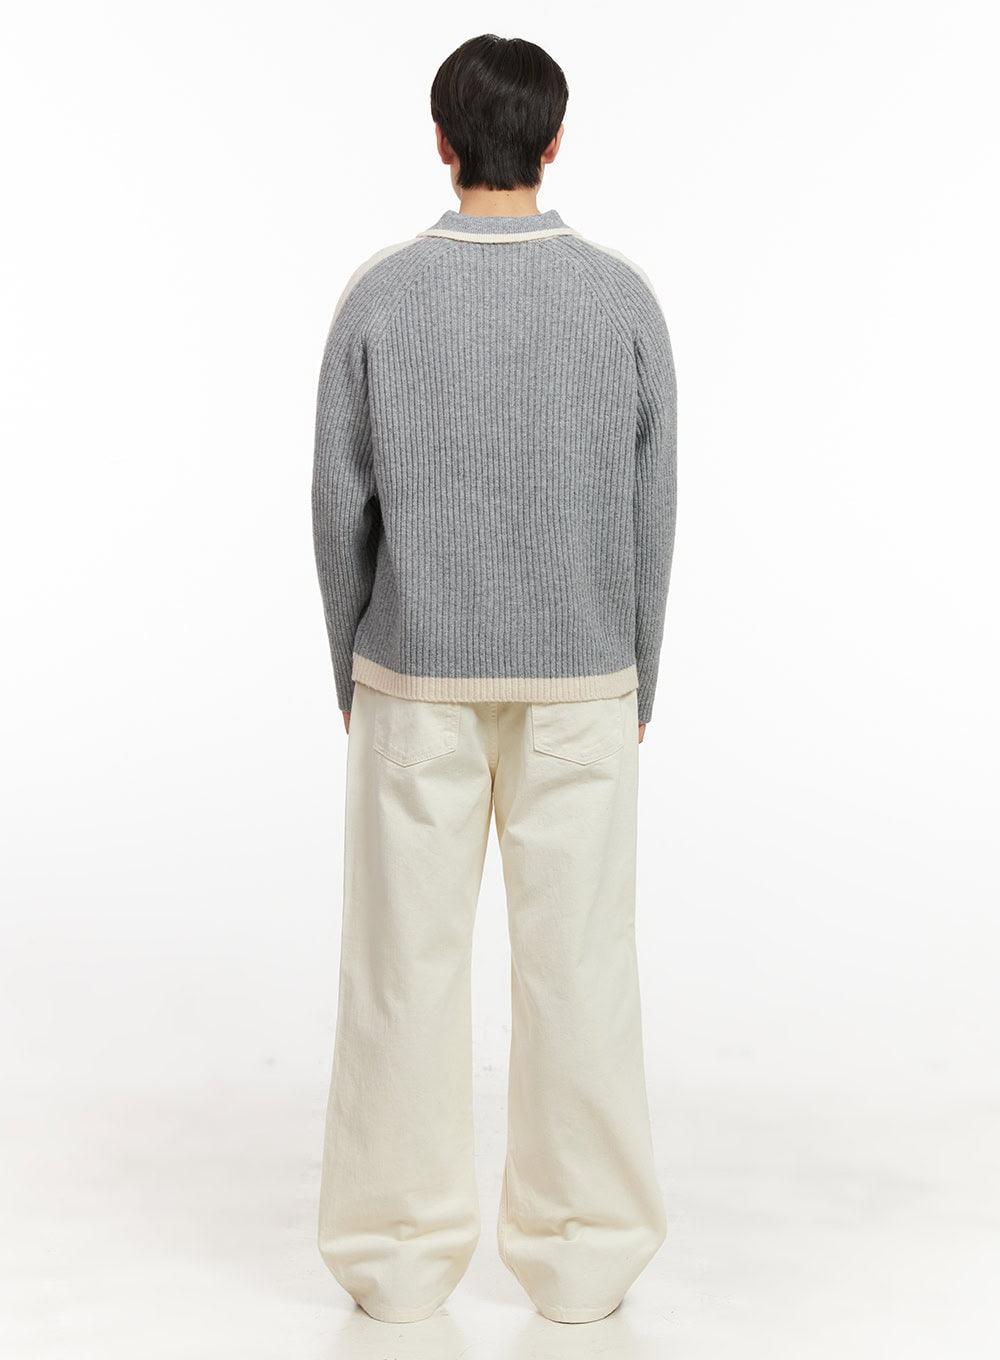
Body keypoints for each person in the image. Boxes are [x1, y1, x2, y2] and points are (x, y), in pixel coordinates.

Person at [311, 32, 678, 1326]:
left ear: (443, 141)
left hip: (413, 678)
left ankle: (397, 1262)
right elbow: (652, 511)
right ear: (556, 142)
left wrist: (353, 661)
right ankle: (585, 1262)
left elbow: (336, 507)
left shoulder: (380, 298)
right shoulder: (622, 301)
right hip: (585, 679)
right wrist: (638, 676)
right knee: (580, 972)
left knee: (401, 973)